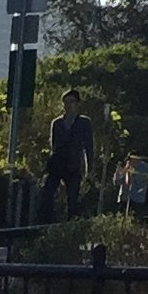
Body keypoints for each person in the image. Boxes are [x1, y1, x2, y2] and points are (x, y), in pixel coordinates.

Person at [36, 90, 94, 222]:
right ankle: (46, 222)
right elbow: (54, 146)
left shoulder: (84, 123)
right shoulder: (57, 123)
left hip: (73, 166)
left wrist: (89, 170)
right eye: (66, 102)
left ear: (78, 104)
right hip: (57, 164)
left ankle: (70, 224)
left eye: (72, 102)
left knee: (72, 199)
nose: (68, 105)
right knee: (47, 194)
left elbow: (89, 147)